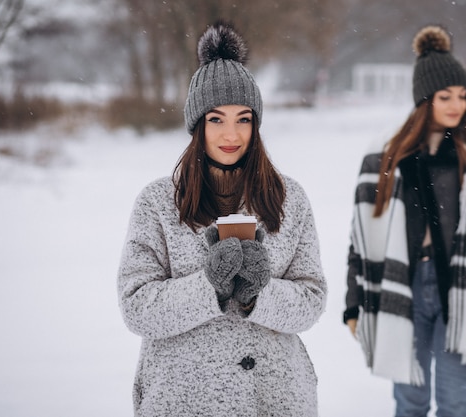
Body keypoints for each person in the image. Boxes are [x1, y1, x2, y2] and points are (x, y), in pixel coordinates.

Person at [117, 22, 327, 417]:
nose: (231, 133)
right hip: (182, 399)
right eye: (216, 119)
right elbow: (136, 306)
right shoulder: (158, 202)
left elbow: (312, 298)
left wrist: (259, 296)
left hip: (274, 397)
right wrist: (206, 287)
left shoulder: (289, 199)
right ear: (198, 124)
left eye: (243, 118)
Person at [343, 25, 466, 417]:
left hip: (460, 288)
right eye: (446, 96)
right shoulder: (386, 155)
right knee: (410, 401)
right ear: (425, 99)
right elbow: (361, 238)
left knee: (456, 401)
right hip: (403, 285)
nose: (457, 104)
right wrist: (354, 303)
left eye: (463, 95)